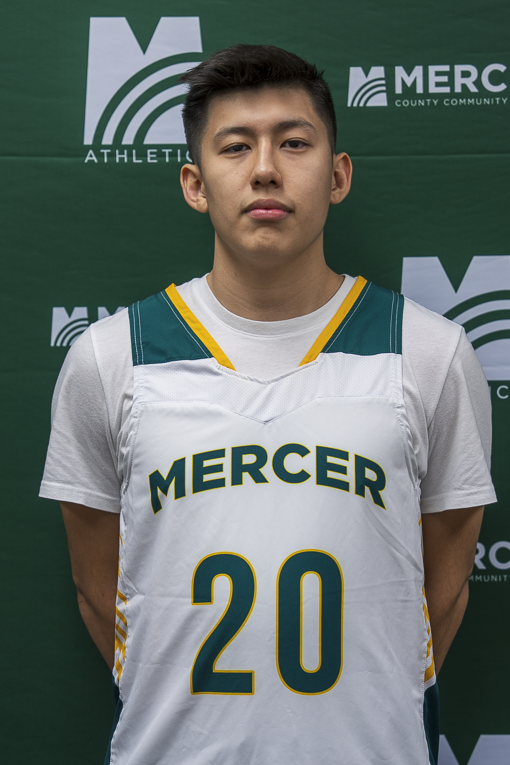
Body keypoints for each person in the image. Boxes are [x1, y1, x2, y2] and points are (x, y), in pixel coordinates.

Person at [40, 45, 496, 765]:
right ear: (195, 184)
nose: (264, 170)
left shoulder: (429, 352)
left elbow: (445, 580)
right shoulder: (110, 356)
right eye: (235, 147)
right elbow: (98, 589)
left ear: (337, 175)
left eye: (293, 142)